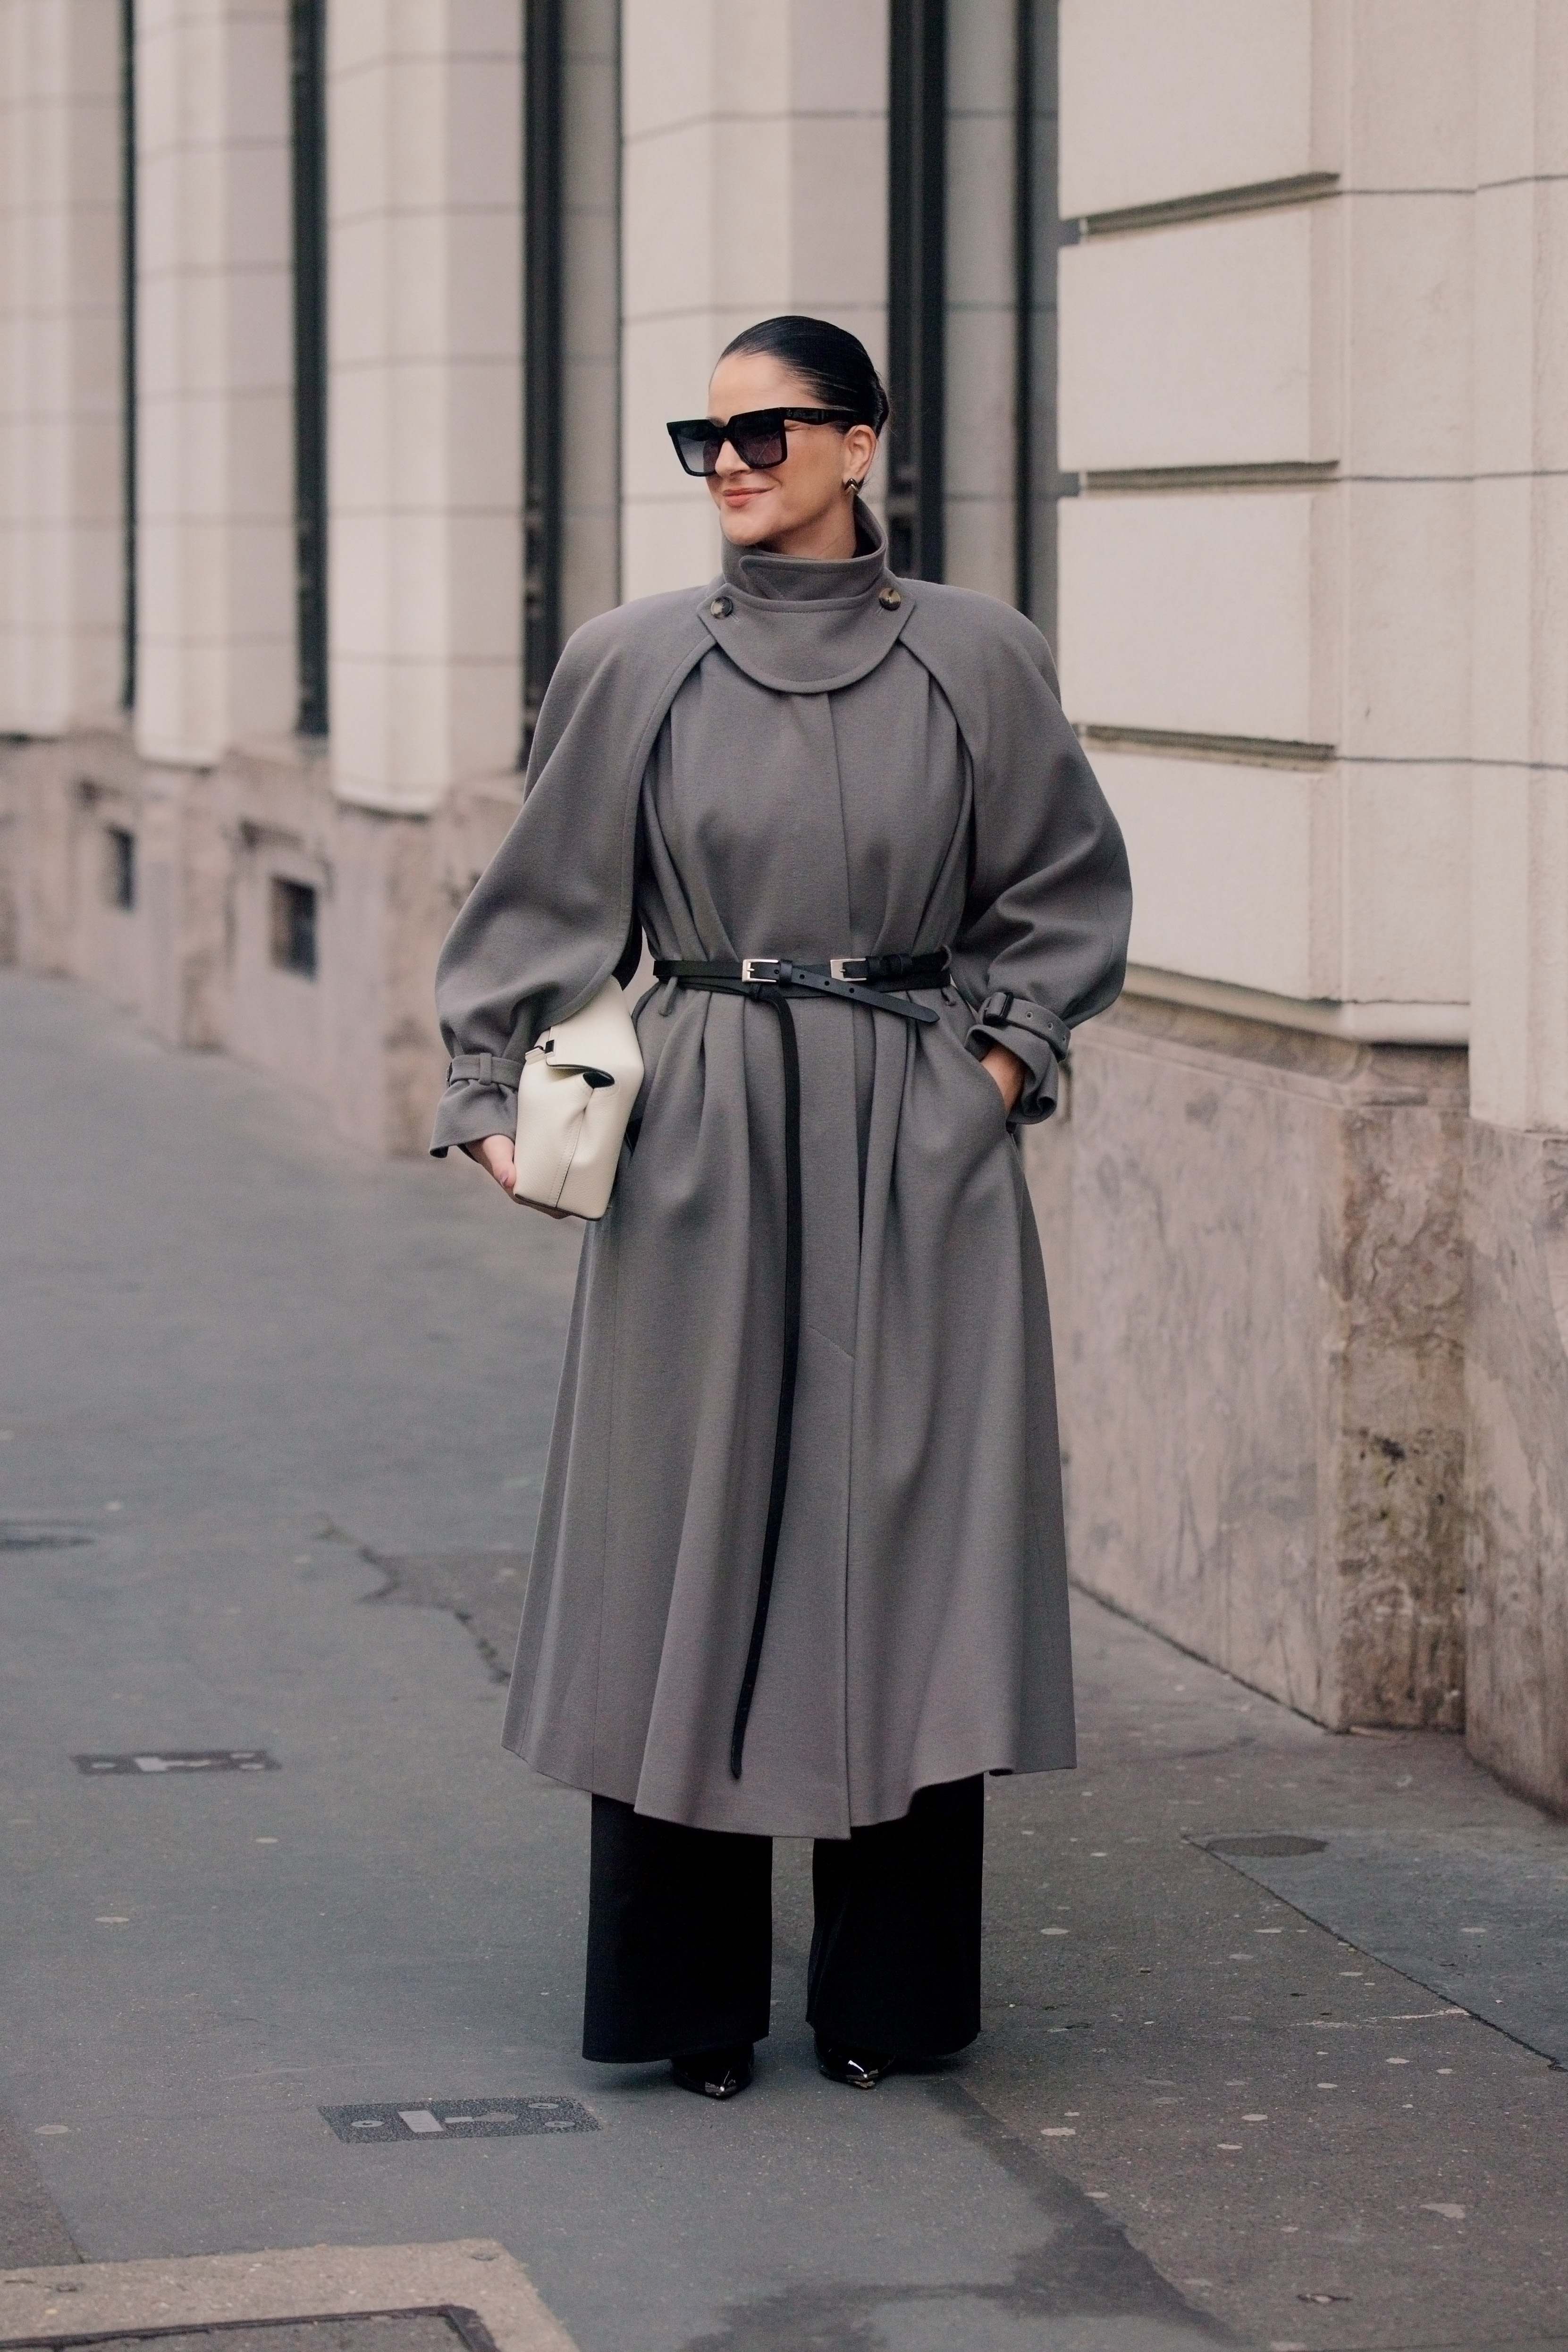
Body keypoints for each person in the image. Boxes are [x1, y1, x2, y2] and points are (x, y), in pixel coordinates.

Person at [430, 315, 1132, 2100]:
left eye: (764, 430)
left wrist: (987, 1082)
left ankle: (890, 2005)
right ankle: (688, 2008)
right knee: (686, 1536)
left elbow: (1058, 891)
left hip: (915, 1135)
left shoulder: (978, 654)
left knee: (907, 1544)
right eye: (707, 436)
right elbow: (541, 900)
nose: (729, 463)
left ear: (859, 444)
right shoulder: (630, 658)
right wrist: (490, 1100)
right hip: (704, 1132)